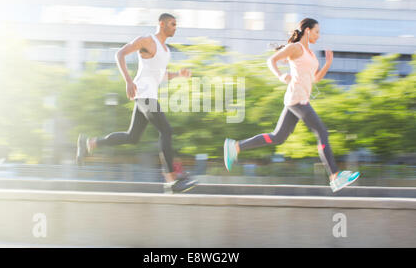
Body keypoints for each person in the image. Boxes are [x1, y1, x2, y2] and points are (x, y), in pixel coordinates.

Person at [224, 18, 359, 193]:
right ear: (308, 30)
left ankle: (235, 147)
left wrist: (327, 65)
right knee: (322, 132)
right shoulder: (296, 48)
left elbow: (315, 78)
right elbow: (271, 60)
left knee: (277, 137)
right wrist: (281, 76)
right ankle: (335, 176)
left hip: (298, 100)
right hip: (297, 98)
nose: (319, 35)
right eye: (317, 31)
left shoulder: (310, 53)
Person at [77, 13, 197, 193]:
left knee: (132, 137)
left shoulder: (166, 51)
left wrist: (178, 74)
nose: (175, 27)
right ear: (162, 23)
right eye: (172, 24)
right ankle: (171, 179)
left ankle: (90, 143)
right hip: (143, 94)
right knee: (166, 130)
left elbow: (160, 75)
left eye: (175, 24)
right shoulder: (147, 41)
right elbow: (120, 54)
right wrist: (128, 81)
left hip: (149, 95)